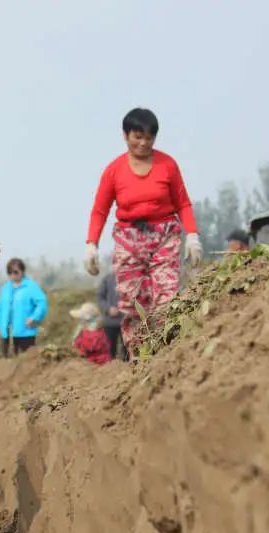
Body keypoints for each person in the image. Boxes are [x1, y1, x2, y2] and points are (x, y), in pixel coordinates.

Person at [85, 108, 203, 352]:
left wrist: (192, 236)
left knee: (166, 296)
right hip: (129, 240)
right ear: (125, 136)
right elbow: (100, 211)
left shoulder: (167, 165)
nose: (143, 143)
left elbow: (182, 203)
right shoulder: (114, 170)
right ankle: (139, 353)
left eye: (149, 138)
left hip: (165, 235)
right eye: (137, 136)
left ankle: (166, 349)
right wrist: (91, 245)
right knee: (132, 301)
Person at [0, 258, 48, 356]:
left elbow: (42, 303)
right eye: (10, 272)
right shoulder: (5, 288)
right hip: (7, 334)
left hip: (25, 332)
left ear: (22, 271)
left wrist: (34, 317)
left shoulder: (31, 287)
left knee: (25, 363)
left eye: (15, 272)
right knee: (8, 363)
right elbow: (0, 309)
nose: (12, 275)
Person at [97, 271, 125, 360]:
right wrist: (108, 308)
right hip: (110, 322)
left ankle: (129, 370)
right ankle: (111, 370)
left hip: (127, 321)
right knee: (110, 350)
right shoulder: (107, 279)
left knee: (128, 350)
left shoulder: (129, 278)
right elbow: (100, 298)